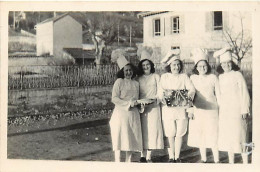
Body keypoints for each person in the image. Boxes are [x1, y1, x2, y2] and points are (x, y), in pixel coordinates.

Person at [214, 47, 251, 164]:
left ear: (232, 63)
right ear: (221, 65)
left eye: (228, 63)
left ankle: (245, 161)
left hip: (237, 109)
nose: (226, 65)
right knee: (228, 136)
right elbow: (218, 95)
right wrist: (221, 107)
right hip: (225, 111)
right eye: (223, 63)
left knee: (240, 135)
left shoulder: (238, 75)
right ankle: (231, 162)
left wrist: (245, 109)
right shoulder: (220, 77)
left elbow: (244, 92)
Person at [110, 51, 148, 162]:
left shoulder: (136, 83)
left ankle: (128, 161)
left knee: (131, 137)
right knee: (119, 136)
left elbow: (137, 99)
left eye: (130, 70)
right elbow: (114, 98)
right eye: (126, 70)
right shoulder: (119, 82)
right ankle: (118, 162)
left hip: (133, 114)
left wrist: (140, 105)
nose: (128, 72)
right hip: (120, 114)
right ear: (122, 71)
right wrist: (127, 104)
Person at [158, 49, 195, 163]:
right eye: (174, 65)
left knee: (180, 132)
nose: (176, 67)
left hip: (181, 108)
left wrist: (185, 97)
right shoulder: (165, 77)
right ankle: (171, 156)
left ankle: (177, 156)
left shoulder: (184, 77)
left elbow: (192, 89)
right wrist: (162, 97)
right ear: (170, 66)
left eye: (178, 65)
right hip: (168, 109)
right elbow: (160, 90)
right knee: (170, 132)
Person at [187, 48, 220, 163]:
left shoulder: (213, 77)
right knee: (200, 133)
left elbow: (219, 95)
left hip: (212, 110)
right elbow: (190, 95)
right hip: (198, 110)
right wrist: (190, 110)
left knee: (212, 133)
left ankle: (216, 159)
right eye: (200, 66)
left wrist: (221, 110)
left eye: (204, 66)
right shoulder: (192, 78)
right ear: (196, 67)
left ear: (208, 66)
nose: (202, 68)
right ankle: (204, 158)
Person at [137, 50, 164, 163]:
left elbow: (161, 91)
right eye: (143, 65)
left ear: (151, 65)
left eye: (147, 64)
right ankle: (142, 155)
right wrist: (139, 103)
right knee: (142, 131)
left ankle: (149, 156)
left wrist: (156, 99)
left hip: (154, 107)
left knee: (152, 131)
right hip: (142, 108)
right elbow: (136, 92)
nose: (145, 67)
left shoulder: (156, 76)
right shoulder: (138, 78)